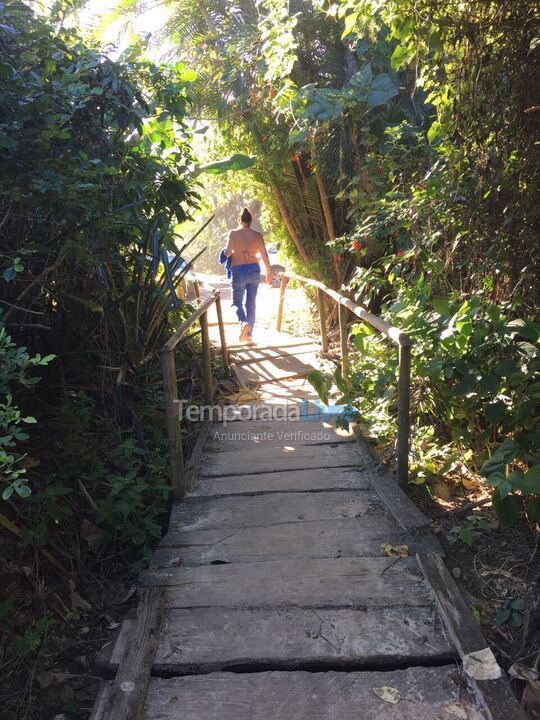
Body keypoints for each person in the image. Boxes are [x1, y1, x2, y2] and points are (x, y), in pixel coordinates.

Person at [224, 208, 273, 341]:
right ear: (251, 221)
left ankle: (243, 323)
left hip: (238, 270)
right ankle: (249, 335)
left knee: (236, 303)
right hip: (254, 270)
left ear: (240, 220)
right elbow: (264, 255)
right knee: (251, 304)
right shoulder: (257, 235)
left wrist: (226, 252)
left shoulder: (233, 233)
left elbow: (228, 252)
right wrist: (269, 272)